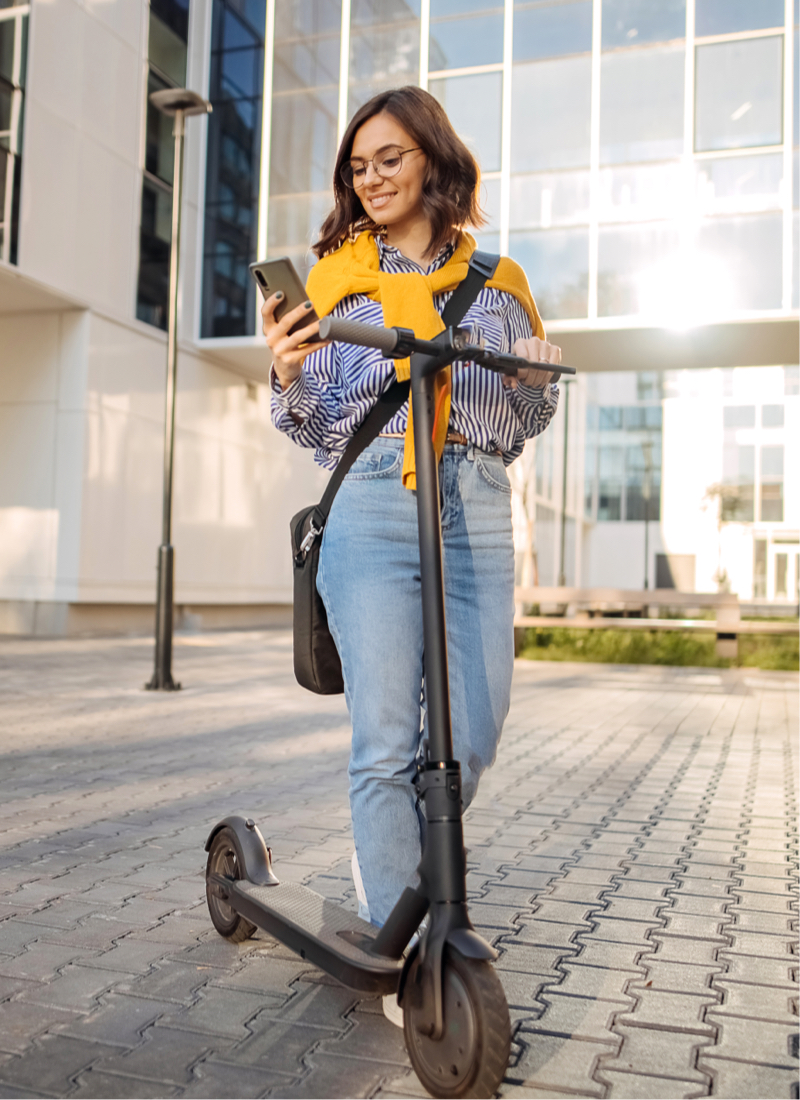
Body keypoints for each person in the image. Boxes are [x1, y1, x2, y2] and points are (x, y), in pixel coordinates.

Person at [263, 86, 561, 1023]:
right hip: (374, 502)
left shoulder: (502, 283)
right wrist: (288, 373)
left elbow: (524, 419)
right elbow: (313, 429)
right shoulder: (333, 281)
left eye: (389, 157)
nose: (372, 176)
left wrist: (529, 375)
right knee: (387, 739)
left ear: (432, 158)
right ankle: (413, 938)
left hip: (473, 497)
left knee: (472, 729)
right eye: (358, 165)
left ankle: (401, 884)